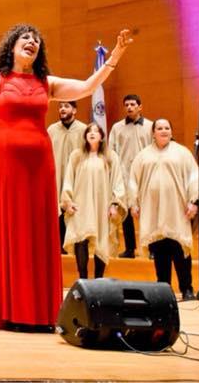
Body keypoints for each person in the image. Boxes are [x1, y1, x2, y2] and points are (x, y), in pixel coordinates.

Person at [0, 24, 132, 330]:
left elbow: (87, 87)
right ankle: (9, 309)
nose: (32, 42)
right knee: (9, 229)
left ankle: (38, 312)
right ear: (12, 46)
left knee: (37, 232)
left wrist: (116, 56)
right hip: (5, 163)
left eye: (36, 40)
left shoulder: (47, 82)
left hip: (40, 164)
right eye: (25, 38)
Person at [129, 119, 199, 300]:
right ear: (153, 133)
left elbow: (194, 177)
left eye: (167, 128)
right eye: (159, 128)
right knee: (160, 251)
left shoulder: (182, 153)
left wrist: (194, 201)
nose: (163, 131)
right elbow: (133, 180)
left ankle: (187, 289)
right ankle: (164, 291)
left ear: (171, 131)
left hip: (177, 210)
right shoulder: (143, 155)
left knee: (180, 250)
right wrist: (133, 202)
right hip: (153, 211)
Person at [60, 123, 125, 279]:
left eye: (96, 131)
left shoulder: (110, 157)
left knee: (101, 240)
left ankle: (98, 279)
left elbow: (117, 181)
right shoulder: (76, 156)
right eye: (89, 131)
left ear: (102, 137)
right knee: (80, 238)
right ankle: (82, 278)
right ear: (85, 136)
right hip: (80, 205)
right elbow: (68, 179)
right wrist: (68, 202)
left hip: (102, 206)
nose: (92, 133)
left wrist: (115, 204)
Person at [108, 94, 153, 258]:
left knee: (147, 211)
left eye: (133, 104)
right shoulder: (117, 127)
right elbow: (111, 151)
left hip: (145, 174)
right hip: (125, 174)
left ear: (140, 107)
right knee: (126, 212)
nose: (129, 107)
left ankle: (152, 248)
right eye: (126, 104)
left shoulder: (150, 126)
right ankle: (130, 248)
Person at [48, 101, 86, 251]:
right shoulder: (52, 130)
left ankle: (76, 245)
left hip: (76, 177)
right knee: (56, 209)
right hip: (55, 176)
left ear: (74, 110)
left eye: (66, 106)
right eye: (60, 106)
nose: (62, 109)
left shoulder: (83, 130)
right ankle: (58, 246)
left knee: (73, 207)